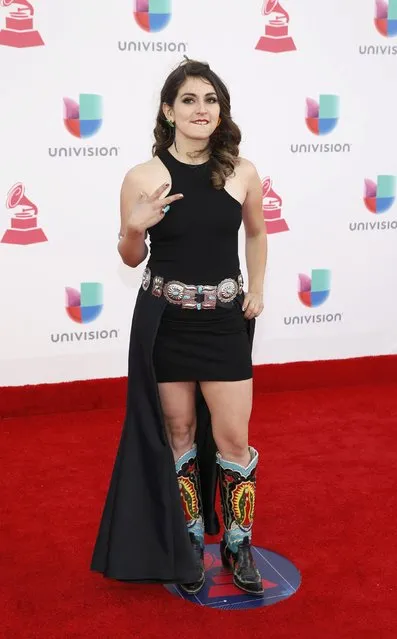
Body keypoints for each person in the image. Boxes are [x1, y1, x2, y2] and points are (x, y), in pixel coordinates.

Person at [90, 59, 267, 597]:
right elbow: (129, 257)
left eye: (210, 100)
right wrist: (132, 229)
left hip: (222, 324)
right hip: (165, 323)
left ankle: (238, 543)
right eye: (189, 100)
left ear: (221, 110)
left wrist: (256, 287)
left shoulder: (242, 171)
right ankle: (187, 539)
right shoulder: (143, 177)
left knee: (234, 438)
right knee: (180, 434)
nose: (201, 110)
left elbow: (257, 235)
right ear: (169, 111)